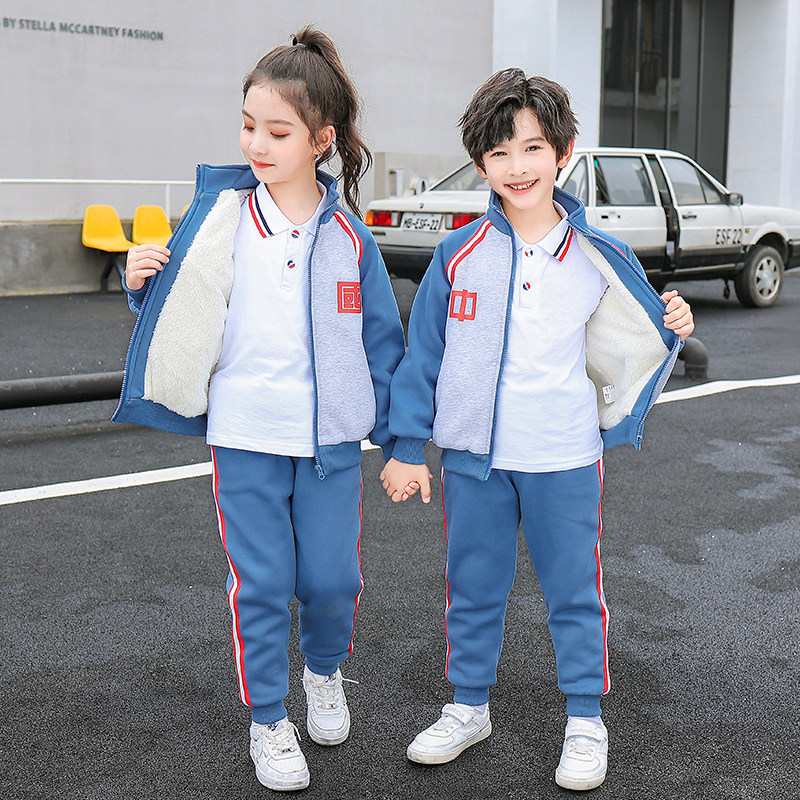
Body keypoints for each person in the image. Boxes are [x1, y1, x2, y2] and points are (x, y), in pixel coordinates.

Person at [380, 68, 694, 792]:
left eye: (531, 148)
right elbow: (423, 357)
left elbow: (643, 327)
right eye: (498, 153)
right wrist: (406, 447)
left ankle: (585, 719)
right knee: (473, 587)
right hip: (474, 460)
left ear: (563, 152)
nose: (516, 167)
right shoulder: (456, 256)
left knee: (573, 591)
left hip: (565, 454)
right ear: (479, 163)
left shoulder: (598, 256)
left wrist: (676, 319)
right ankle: (468, 707)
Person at [114, 28, 405, 792]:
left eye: (277, 131)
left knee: (333, 581)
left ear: (321, 140)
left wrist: (403, 441)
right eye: (248, 126)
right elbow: (180, 311)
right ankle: (269, 720)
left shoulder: (351, 240)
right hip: (244, 435)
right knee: (264, 583)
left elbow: (384, 346)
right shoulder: (220, 218)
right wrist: (141, 285)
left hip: (331, 444)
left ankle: (324, 672)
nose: (256, 144)